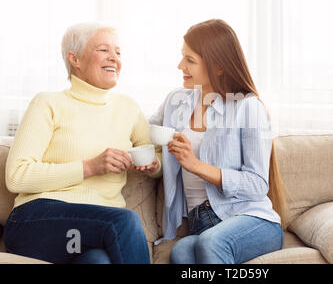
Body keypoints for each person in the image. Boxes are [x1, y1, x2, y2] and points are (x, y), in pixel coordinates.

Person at [3, 23, 161, 264]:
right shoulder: (47, 103)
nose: (114, 58)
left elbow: (155, 156)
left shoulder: (128, 108)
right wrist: (90, 167)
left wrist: (153, 165)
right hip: (37, 222)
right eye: (103, 50)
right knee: (124, 220)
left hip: (89, 234)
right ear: (74, 58)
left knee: (98, 261)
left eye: (118, 52)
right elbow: (17, 176)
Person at [149, 19, 288, 264]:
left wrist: (196, 165)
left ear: (218, 66)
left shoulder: (247, 107)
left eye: (190, 60)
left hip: (251, 219)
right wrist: (151, 162)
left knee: (212, 242)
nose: (181, 65)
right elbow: (143, 131)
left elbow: (257, 184)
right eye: (183, 57)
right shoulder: (176, 101)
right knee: (180, 253)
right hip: (202, 222)